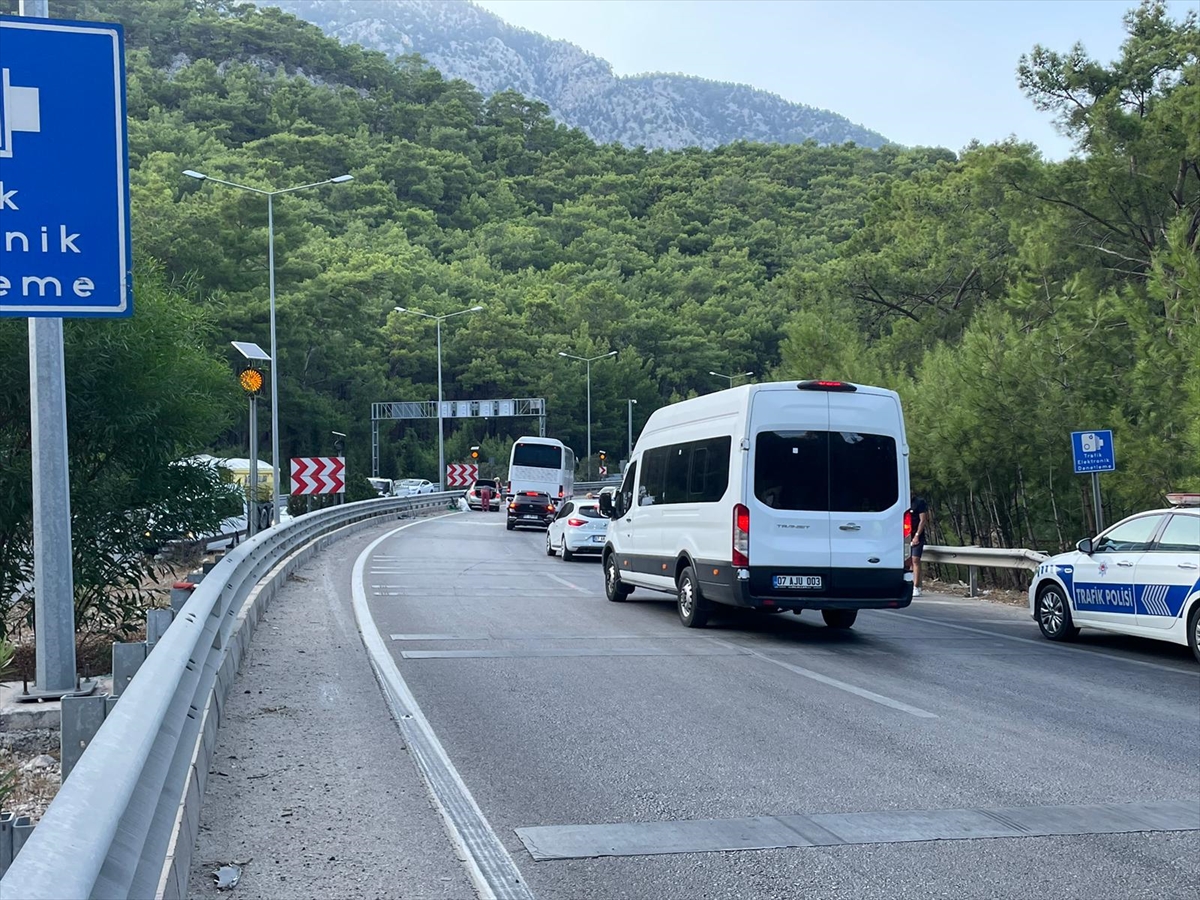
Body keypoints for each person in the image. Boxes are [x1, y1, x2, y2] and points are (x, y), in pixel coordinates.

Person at [910, 491, 930, 596]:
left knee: (915, 559)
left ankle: (916, 587)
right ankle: (908, 584)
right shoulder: (902, 502)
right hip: (905, 535)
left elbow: (923, 520)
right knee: (907, 561)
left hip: (917, 535)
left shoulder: (919, 502)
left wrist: (917, 535)